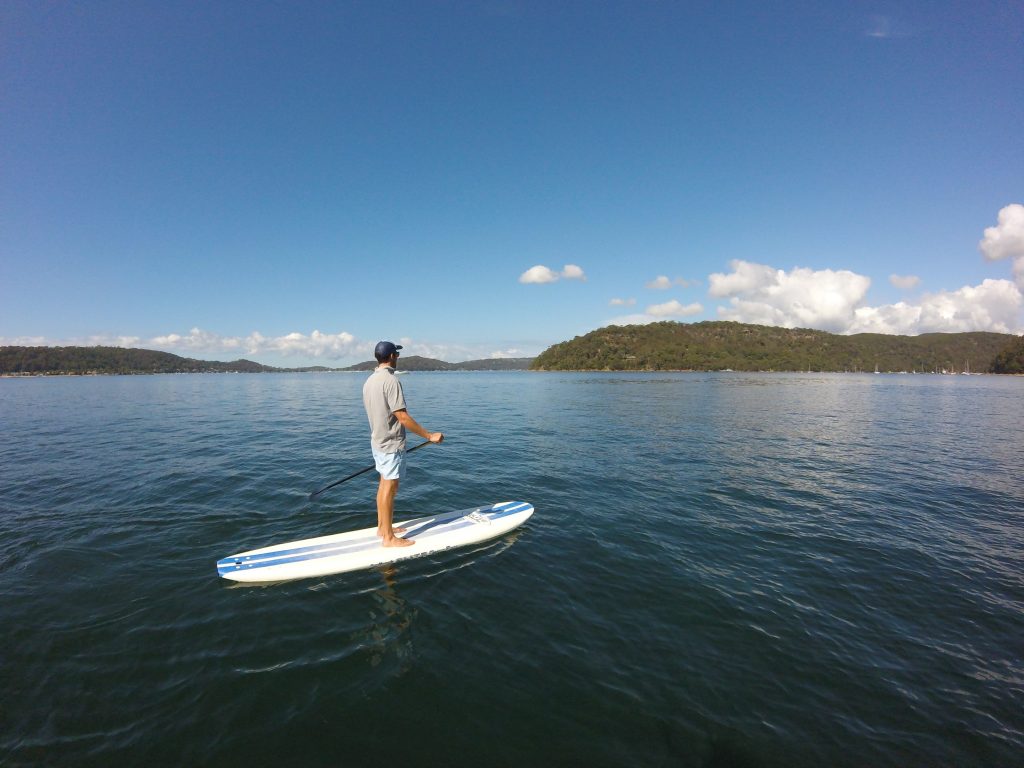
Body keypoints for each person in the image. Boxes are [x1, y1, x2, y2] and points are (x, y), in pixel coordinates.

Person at [362, 341, 443, 547]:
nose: (397, 357)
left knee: (384, 485)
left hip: (378, 443)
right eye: (396, 354)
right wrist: (429, 435)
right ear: (390, 357)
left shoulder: (369, 381)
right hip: (391, 445)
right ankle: (388, 538)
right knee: (389, 487)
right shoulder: (391, 381)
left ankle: (383, 528)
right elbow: (402, 417)